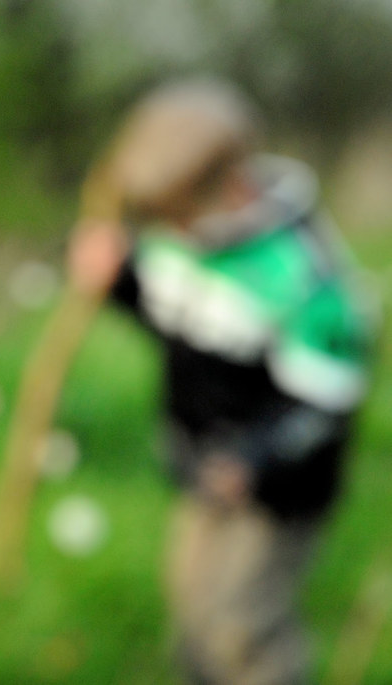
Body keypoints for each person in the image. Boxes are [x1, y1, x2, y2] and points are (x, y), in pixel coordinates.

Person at [67, 79, 376, 684]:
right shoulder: (181, 238)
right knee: (191, 601)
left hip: (275, 486)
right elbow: (175, 320)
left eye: (178, 220)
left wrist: (255, 460)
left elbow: (327, 400)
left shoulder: (304, 281)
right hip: (200, 460)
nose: (169, 236)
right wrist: (118, 283)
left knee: (243, 621)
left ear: (234, 188)